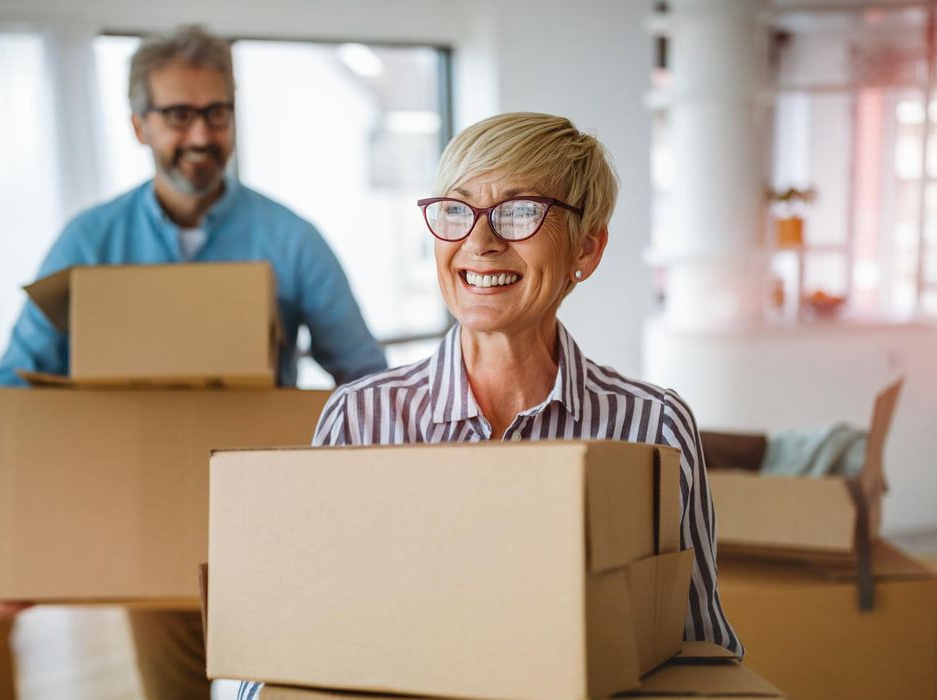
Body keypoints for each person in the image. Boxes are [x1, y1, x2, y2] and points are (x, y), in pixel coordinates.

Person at [230, 111, 740, 698]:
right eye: (456, 210)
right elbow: (279, 650)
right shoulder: (361, 418)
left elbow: (700, 643)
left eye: (520, 212)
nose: (479, 241)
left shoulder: (653, 426)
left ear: (589, 247)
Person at [0, 25, 387, 700]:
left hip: (269, 525)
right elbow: (3, 390)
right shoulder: (92, 241)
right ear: (139, 124)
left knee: (284, 693)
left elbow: (367, 382)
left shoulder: (291, 240)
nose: (200, 135)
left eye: (216, 112)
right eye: (177, 115)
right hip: (148, 521)